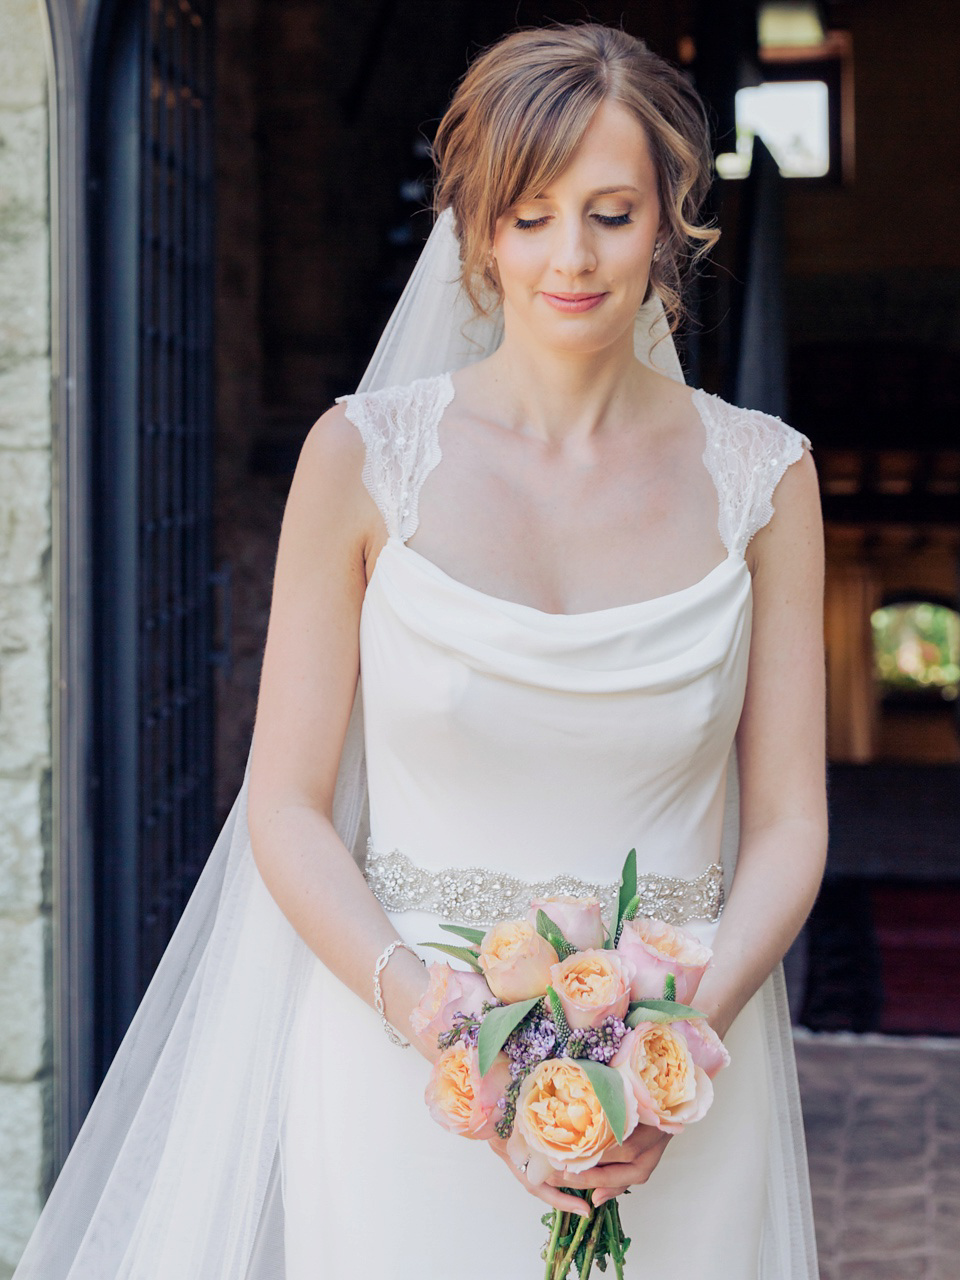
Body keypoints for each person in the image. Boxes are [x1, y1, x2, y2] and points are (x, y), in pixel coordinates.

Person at [12, 22, 825, 1280]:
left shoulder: (767, 479)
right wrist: (438, 1019)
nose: (572, 255)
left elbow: (787, 823)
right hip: (403, 1078)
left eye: (611, 212)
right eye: (534, 212)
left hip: (683, 1084)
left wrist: (673, 1045)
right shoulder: (359, 458)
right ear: (478, 226)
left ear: (669, 216)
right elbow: (282, 805)